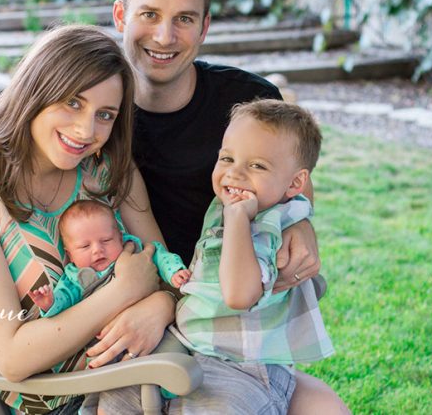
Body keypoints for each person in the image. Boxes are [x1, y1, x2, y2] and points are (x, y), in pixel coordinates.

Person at [0, 0, 341, 414]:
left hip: (199, 322)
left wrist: (301, 219)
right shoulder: (73, 115)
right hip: (106, 352)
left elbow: (289, 181)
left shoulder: (120, 156)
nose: (164, 35)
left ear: (205, 27)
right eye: (149, 14)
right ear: (121, 15)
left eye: (184, 18)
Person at [0, 24, 177, 414]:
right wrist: (124, 290)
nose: (86, 131)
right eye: (73, 103)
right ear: (35, 94)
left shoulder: (109, 170)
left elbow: (167, 269)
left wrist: (162, 303)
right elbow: (11, 356)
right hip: (55, 399)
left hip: (136, 374)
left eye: (105, 114)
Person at [99, 99, 345, 414]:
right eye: (227, 158)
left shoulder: (268, 224)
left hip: (245, 366)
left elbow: (239, 295)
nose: (235, 174)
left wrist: (239, 220)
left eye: (257, 165)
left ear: (296, 183)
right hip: (190, 344)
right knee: (119, 397)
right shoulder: (226, 206)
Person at [30, 199, 190, 317]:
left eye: (106, 240)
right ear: (70, 254)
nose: (97, 250)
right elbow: (65, 298)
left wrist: (174, 272)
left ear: (120, 238)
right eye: (85, 246)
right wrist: (50, 303)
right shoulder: (74, 279)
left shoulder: (135, 253)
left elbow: (160, 256)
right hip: (107, 336)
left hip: (151, 319)